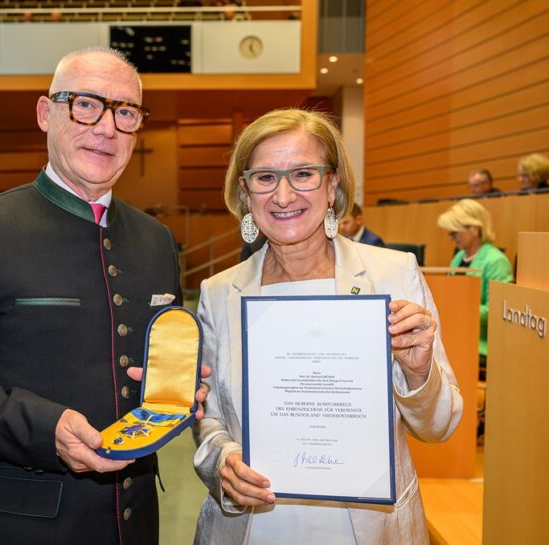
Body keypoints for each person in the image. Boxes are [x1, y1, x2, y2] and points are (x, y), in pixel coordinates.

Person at [0, 47, 207, 545]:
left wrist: (175, 385)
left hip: (134, 519)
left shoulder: (155, 239)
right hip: (26, 523)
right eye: (85, 104)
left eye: (125, 112)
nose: (106, 128)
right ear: (46, 113)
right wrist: (47, 428)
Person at [193, 109, 462, 545]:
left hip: (370, 528)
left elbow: (439, 426)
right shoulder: (220, 292)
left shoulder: (393, 275)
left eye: (303, 174)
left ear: (333, 184)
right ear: (245, 191)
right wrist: (222, 461)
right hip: (254, 526)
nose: (283, 196)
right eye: (264, 178)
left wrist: (418, 372)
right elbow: (207, 415)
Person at [437, 199, 513, 375]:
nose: (450, 237)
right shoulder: (458, 258)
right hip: (455, 336)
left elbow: (497, 311)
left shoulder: (496, 261)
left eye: (454, 232)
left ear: (474, 229)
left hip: (481, 344)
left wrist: (458, 310)